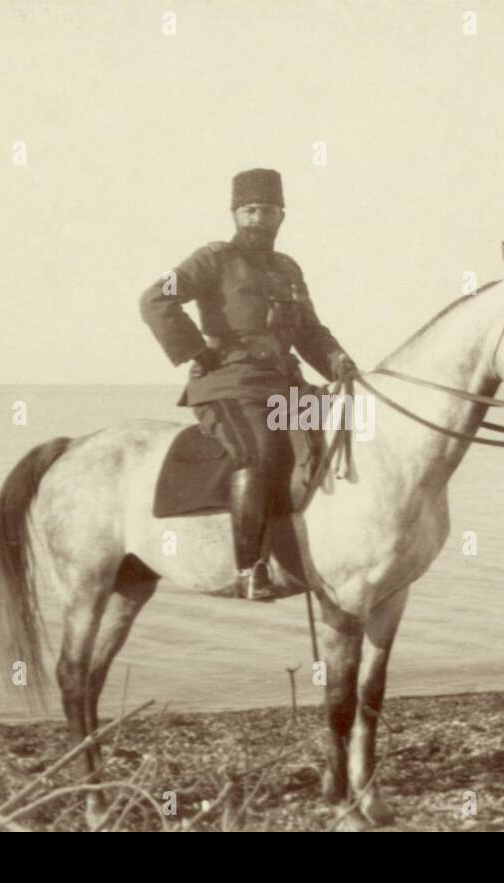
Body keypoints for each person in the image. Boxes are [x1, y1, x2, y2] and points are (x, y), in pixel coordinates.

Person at [140, 168, 357, 600]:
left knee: (355, 427)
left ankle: (342, 555)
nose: (259, 219)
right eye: (250, 210)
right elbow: (154, 298)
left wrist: (339, 362)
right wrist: (197, 351)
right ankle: (249, 568)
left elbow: (310, 331)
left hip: (286, 387)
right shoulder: (211, 259)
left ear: (282, 216)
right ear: (235, 213)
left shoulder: (288, 270)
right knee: (258, 450)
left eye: (268, 211)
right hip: (228, 384)